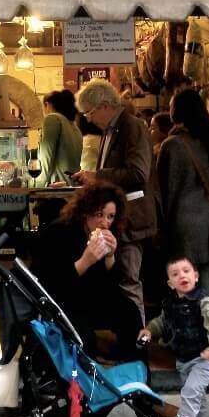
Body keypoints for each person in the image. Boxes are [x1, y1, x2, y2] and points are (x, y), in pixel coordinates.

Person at [73, 79, 157, 322]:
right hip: (120, 218)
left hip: (132, 219)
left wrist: (97, 176)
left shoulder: (132, 127)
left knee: (128, 280)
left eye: (90, 112)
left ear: (105, 105)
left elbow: (138, 173)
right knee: (120, 280)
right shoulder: (113, 129)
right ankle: (126, 339)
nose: (88, 119)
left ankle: (136, 344)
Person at [33, 182, 143, 361]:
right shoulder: (59, 232)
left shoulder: (109, 235)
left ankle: (134, 368)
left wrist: (110, 257)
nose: (105, 222)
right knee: (83, 333)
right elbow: (53, 284)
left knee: (130, 311)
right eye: (99, 214)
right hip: (62, 301)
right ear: (86, 211)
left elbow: (112, 288)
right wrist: (86, 261)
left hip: (91, 299)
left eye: (110, 216)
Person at [157, 89, 209, 313]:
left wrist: (163, 227)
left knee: (183, 283)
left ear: (177, 112)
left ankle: (188, 337)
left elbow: (165, 192)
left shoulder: (173, 145)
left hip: (184, 226)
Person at [138, 254, 209, 417]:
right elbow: (162, 321)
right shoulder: (169, 303)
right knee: (198, 397)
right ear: (170, 283)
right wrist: (150, 330)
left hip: (205, 357)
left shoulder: (205, 301)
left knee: (190, 392)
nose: (182, 276)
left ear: (196, 276)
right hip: (184, 359)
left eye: (186, 271)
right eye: (175, 274)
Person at [37, 90, 83, 186]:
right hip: (72, 185)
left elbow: (46, 158)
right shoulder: (73, 125)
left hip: (57, 186)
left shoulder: (52, 119)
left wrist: (38, 185)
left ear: (47, 104)